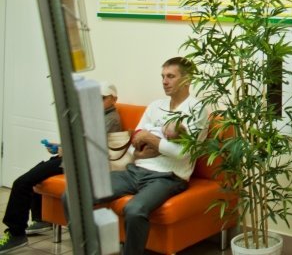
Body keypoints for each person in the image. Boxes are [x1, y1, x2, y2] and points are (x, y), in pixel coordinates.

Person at [0, 82, 122, 253]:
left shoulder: (111, 119)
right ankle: (42, 219)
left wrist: (67, 150)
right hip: (71, 158)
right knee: (36, 174)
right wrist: (59, 146)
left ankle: (16, 233)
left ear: (114, 99)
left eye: (102, 98)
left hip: (80, 163)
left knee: (22, 182)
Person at [109, 57, 207, 255]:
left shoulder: (197, 109)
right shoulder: (155, 106)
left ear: (187, 80)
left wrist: (149, 139)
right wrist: (156, 144)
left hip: (168, 177)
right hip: (136, 171)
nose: (164, 81)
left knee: (134, 210)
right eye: (162, 76)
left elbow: (182, 154)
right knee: (80, 192)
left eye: (170, 76)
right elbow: (134, 144)